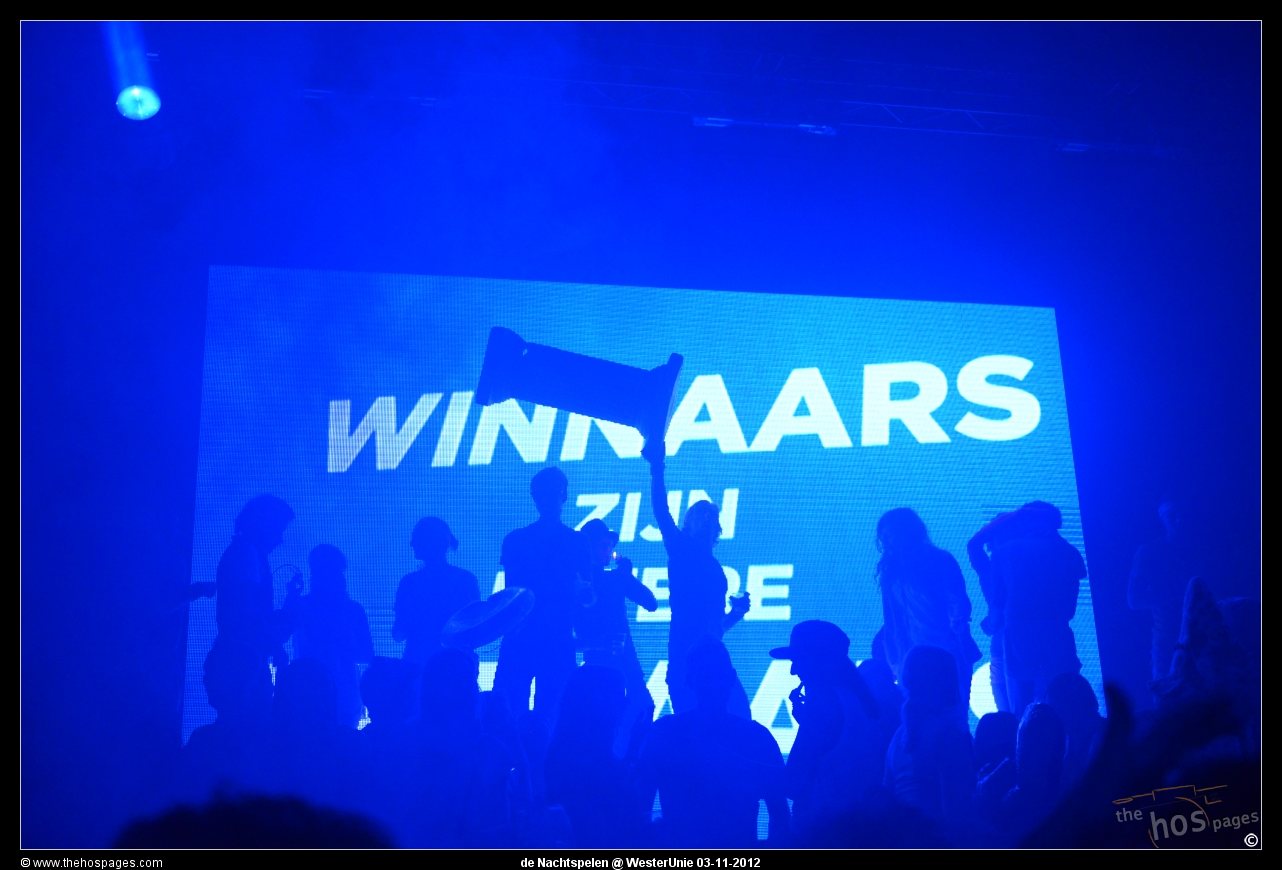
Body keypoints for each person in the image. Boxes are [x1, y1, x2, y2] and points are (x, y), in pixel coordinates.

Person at [639, 639, 790, 847]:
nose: (712, 684)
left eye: (714, 675)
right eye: (706, 676)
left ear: (688, 680)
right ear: (732, 678)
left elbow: (642, 805)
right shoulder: (756, 736)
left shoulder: (665, 731)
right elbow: (780, 814)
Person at [643, 436, 751, 714]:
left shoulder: (715, 568)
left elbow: (714, 628)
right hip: (686, 661)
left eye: (710, 516)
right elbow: (661, 511)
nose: (705, 520)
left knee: (740, 716)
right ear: (687, 524)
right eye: (699, 515)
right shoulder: (681, 550)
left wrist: (736, 613)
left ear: (717, 528)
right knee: (694, 727)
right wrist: (657, 468)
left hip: (712, 659)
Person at [494, 466, 592, 723]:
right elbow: (511, 592)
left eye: (552, 493)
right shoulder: (520, 540)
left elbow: (587, 595)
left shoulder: (520, 540)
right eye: (545, 493)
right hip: (536, 635)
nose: (549, 499)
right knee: (523, 711)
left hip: (547, 635)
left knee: (544, 713)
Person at [772, 620, 881, 839]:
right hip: (850, 829)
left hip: (821, 833)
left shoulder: (822, 707)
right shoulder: (856, 701)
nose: (793, 670)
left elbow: (794, 782)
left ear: (820, 661)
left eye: (799, 660)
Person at [981, 501, 1086, 715]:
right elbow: (1069, 607)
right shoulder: (1068, 553)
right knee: (1064, 700)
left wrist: (992, 623)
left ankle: (1024, 734)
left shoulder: (1005, 552)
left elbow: (998, 604)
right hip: (1056, 631)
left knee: (1021, 703)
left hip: (1018, 632)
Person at [875, 508, 979, 708]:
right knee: (916, 712)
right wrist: (894, 655)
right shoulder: (891, 569)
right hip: (908, 653)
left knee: (952, 710)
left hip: (946, 648)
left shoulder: (939, 560)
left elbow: (958, 602)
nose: (888, 541)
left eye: (891, 535)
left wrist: (956, 636)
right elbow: (891, 617)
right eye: (884, 537)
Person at [576, 518, 659, 756]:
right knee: (611, 718)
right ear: (589, 548)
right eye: (604, 546)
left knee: (641, 707)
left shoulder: (615, 579)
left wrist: (626, 577)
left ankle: (627, 761)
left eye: (610, 546)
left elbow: (651, 602)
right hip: (602, 663)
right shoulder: (582, 583)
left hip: (623, 662)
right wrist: (624, 576)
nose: (609, 551)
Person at [216, 495, 300, 677]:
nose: (280, 539)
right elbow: (250, 613)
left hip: (240, 659)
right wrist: (274, 642)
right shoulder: (246, 554)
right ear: (264, 526)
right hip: (242, 664)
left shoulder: (244, 551)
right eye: (278, 530)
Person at [291, 544, 374, 729]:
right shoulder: (352, 609)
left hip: (320, 692)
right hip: (331, 692)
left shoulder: (301, 606)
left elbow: (366, 654)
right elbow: (367, 654)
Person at [393, 517, 480, 666]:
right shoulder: (466, 579)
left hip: (419, 662)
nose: (412, 543)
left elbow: (399, 633)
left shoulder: (409, 582)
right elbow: (475, 628)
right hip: (456, 664)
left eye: (416, 538)